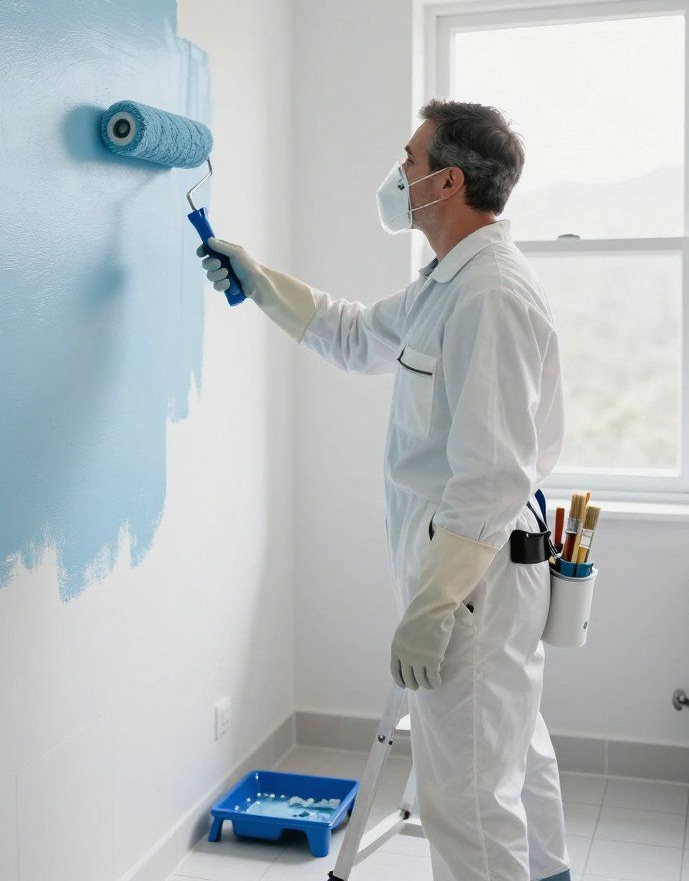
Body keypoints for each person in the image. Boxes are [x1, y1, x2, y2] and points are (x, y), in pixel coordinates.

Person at [198, 99, 570, 881]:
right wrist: (258, 281)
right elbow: (358, 333)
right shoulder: (446, 283)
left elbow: (492, 474)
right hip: (468, 578)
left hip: (473, 587)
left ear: (447, 182)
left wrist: (432, 612)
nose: (397, 176)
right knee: (509, 767)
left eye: (409, 161)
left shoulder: (490, 295)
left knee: (465, 804)